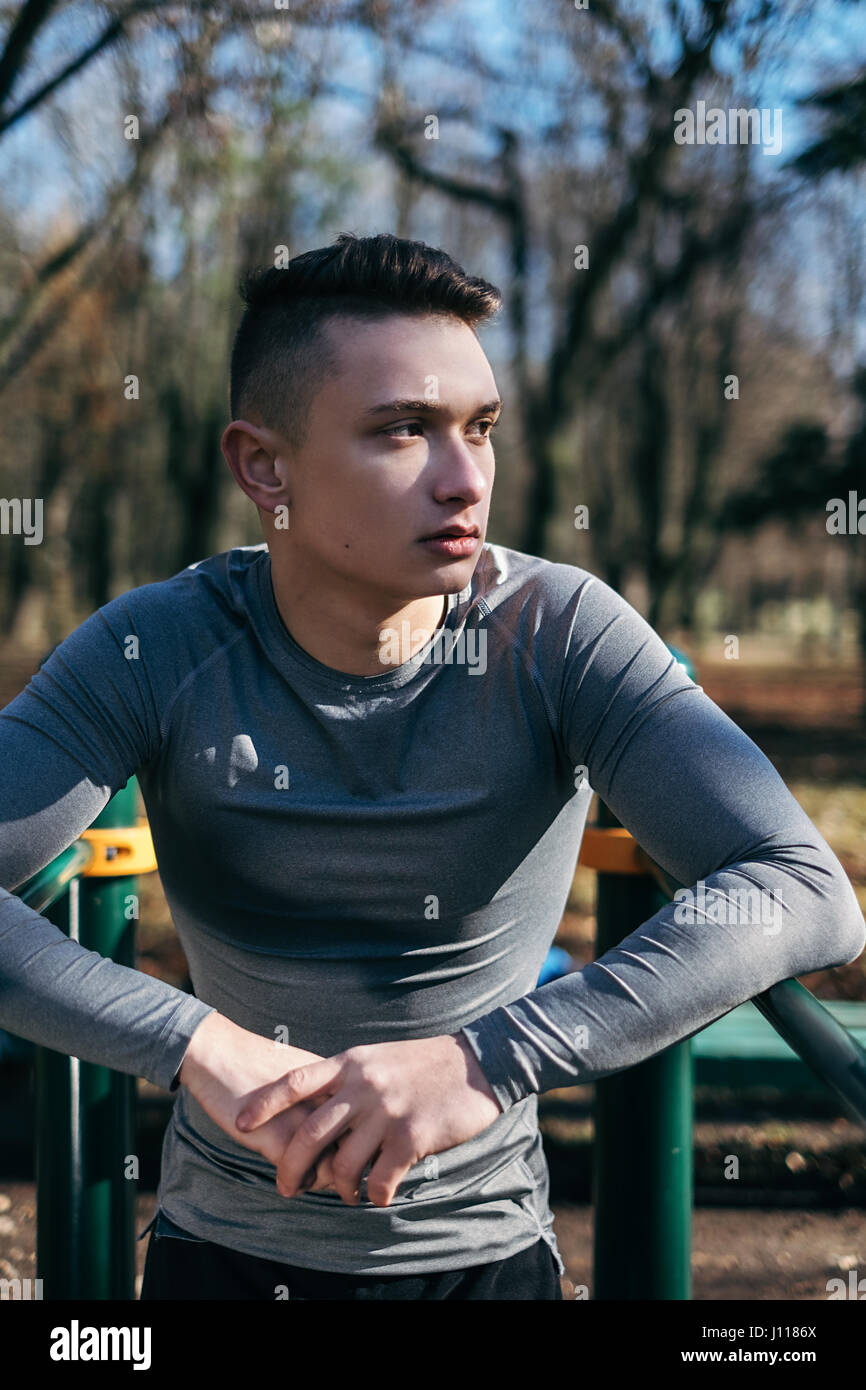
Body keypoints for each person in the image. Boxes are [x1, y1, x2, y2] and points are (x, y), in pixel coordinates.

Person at [0, 232, 863, 1302]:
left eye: (480, 428)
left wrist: (486, 1060)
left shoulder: (558, 633)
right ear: (263, 466)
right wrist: (188, 1040)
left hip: (487, 1268)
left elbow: (802, 887)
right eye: (403, 430)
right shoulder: (157, 647)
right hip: (215, 1260)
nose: (464, 479)